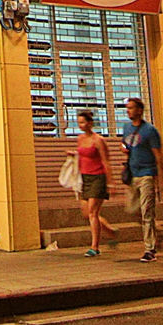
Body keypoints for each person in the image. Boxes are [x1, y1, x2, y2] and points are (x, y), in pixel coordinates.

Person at [120, 97, 163, 262]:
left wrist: (161, 179)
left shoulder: (150, 131)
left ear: (139, 110)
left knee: (147, 211)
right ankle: (158, 233)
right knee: (132, 210)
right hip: (133, 174)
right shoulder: (126, 128)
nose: (128, 110)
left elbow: (158, 155)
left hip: (147, 174)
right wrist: (123, 148)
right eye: (127, 108)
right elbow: (124, 144)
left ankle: (150, 249)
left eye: (131, 108)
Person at [72, 110, 114, 257]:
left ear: (90, 123)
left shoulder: (98, 140)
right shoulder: (80, 138)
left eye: (83, 122)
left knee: (92, 212)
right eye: (79, 123)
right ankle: (109, 231)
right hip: (85, 178)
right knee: (86, 212)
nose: (81, 126)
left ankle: (94, 247)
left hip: (98, 177)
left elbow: (105, 161)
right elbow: (81, 155)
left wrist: (110, 183)